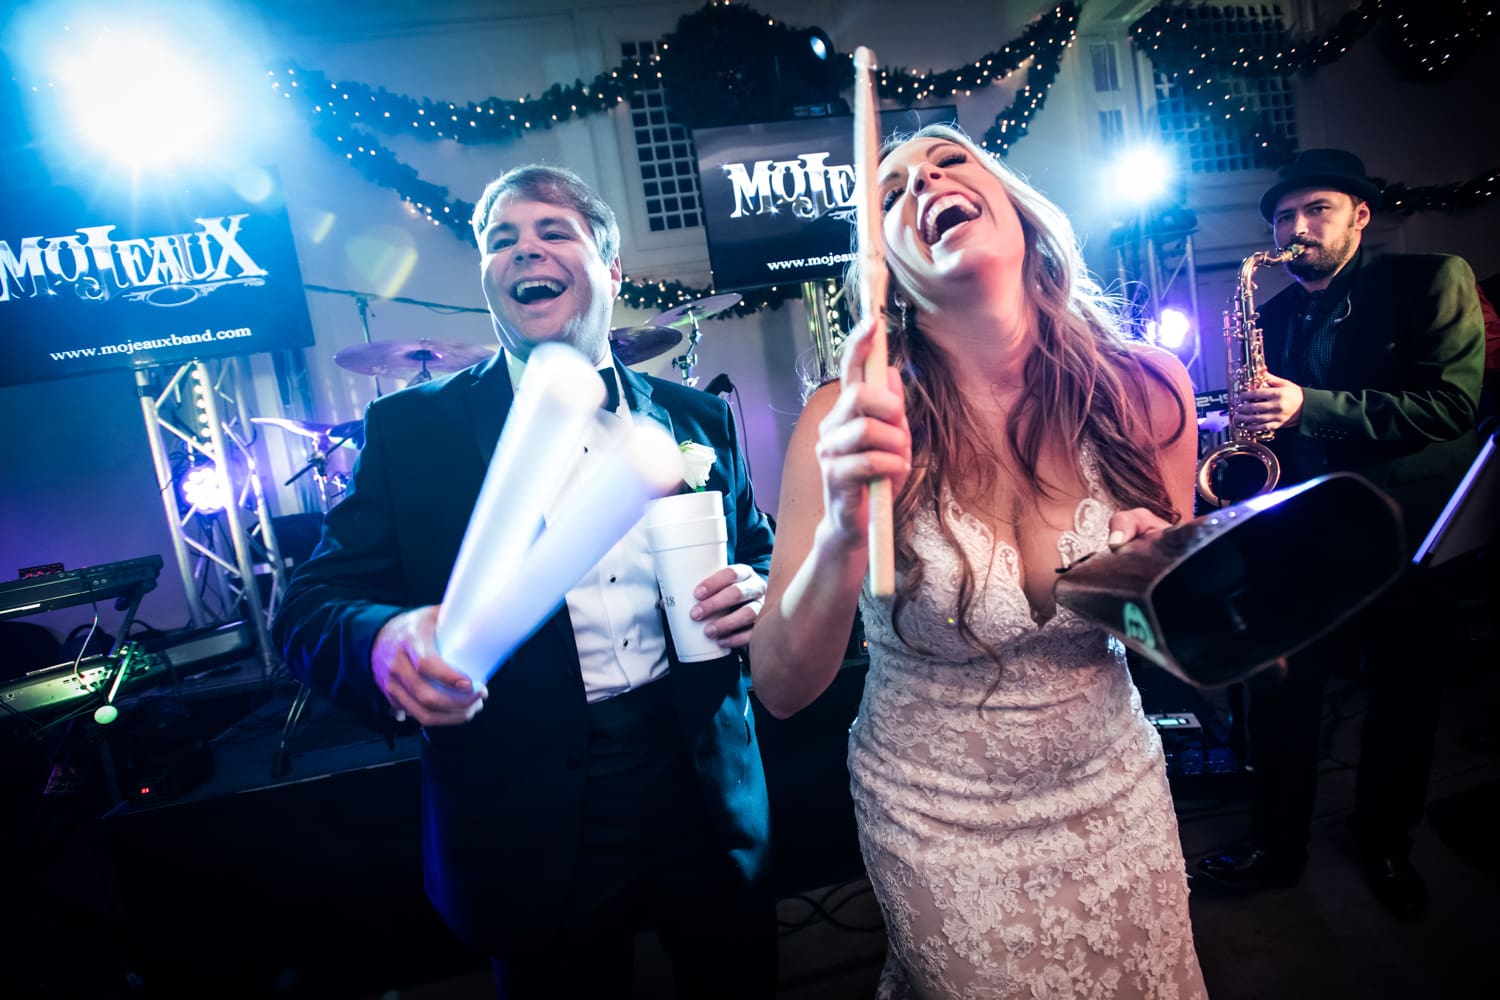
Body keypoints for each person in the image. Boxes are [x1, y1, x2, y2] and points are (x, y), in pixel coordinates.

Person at [272, 165, 778, 997]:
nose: (522, 251)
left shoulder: (698, 419)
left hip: (698, 781)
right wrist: (383, 641)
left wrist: (757, 592)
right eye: (500, 240)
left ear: (611, 268)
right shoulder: (413, 430)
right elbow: (309, 606)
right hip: (527, 807)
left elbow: (757, 554)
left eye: (551, 232)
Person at [749, 123, 1206, 998]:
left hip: (1116, 792)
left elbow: (1173, 643)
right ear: (884, 273)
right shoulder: (840, 422)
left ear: (1019, 210)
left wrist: (1151, 580)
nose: (922, 184)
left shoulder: (1149, 390)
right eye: (889, 194)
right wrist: (847, 527)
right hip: (938, 820)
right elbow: (779, 686)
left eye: (948, 162)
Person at [1196, 148, 1485, 919]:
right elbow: (1276, 422)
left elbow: (1448, 409)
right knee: (1282, 698)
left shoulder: (1430, 279)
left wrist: (1309, 406)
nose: (1297, 229)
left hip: (1401, 538)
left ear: (1360, 215)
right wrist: (1242, 425)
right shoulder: (1275, 312)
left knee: (1402, 701)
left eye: (1315, 210)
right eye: (1284, 217)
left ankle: (1386, 838)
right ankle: (1276, 845)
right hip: (1301, 537)